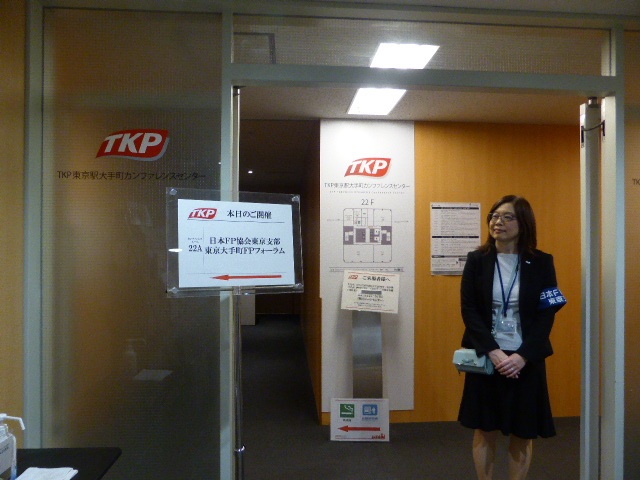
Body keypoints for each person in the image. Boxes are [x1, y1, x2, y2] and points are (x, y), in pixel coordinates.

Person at [458, 195, 564, 480]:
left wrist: (522, 356)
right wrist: (493, 352)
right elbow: (469, 310)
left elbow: (547, 313)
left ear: (524, 223)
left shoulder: (542, 262)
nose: (498, 222)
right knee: (484, 429)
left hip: (525, 358)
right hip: (487, 357)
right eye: (494, 216)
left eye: (507, 217)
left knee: (523, 430)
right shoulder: (477, 260)